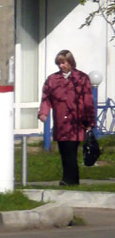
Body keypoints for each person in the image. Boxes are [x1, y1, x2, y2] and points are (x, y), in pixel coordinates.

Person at [38, 49, 95, 187]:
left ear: (70, 62)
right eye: (59, 63)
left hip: (76, 121)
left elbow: (88, 99)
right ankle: (71, 179)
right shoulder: (52, 79)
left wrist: (89, 121)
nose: (61, 66)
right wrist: (43, 113)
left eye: (63, 63)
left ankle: (69, 179)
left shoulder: (81, 78)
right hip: (60, 121)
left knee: (71, 150)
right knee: (64, 150)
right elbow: (46, 97)